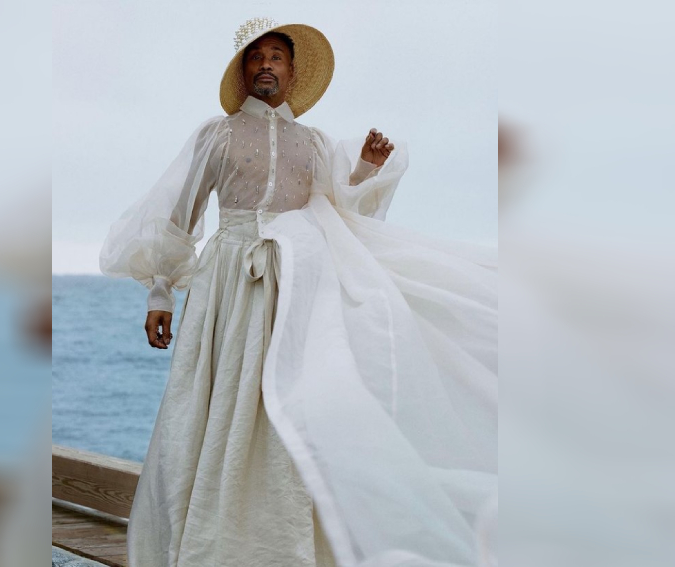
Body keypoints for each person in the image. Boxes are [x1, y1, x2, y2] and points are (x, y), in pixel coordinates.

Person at [101, 18, 497, 567]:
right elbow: (181, 215)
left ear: (291, 72)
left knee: (289, 398)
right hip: (228, 282)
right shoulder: (218, 134)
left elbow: (338, 213)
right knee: (217, 399)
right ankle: (210, 539)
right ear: (244, 72)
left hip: (294, 283)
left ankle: (284, 545)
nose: (266, 64)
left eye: (276, 57)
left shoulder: (314, 143)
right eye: (256, 56)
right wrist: (160, 292)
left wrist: (366, 169)